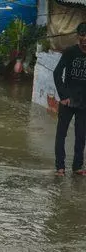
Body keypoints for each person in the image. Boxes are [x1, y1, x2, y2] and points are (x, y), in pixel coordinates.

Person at [53, 22, 86, 176]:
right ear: (78, 36)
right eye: (82, 35)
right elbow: (57, 73)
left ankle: (77, 167)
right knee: (61, 134)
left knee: (81, 135)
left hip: (84, 102)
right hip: (68, 101)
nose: (85, 38)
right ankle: (60, 167)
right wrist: (63, 95)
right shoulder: (70, 52)